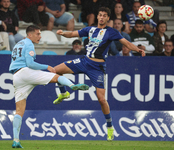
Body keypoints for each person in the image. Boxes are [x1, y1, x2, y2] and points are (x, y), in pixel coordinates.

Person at [54, 7, 145, 141]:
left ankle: (109, 127)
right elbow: (73, 33)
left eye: (104, 16)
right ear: (97, 17)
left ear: (108, 18)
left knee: (101, 99)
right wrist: (62, 33)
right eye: (100, 15)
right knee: (55, 71)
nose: (102, 17)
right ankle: (63, 93)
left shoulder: (111, 32)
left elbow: (125, 42)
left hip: (97, 67)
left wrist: (137, 49)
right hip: (84, 61)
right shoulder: (89, 29)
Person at [9, 25, 89, 148]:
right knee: (56, 76)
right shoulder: (29, 43)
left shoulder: (18, 44)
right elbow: (30, 64)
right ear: (30, 35)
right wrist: (47, 66)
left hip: (16, 77)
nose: (40, 36)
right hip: (25, 72)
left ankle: (15, 140)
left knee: (19, 111)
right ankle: (72, 86)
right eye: (37, 34)